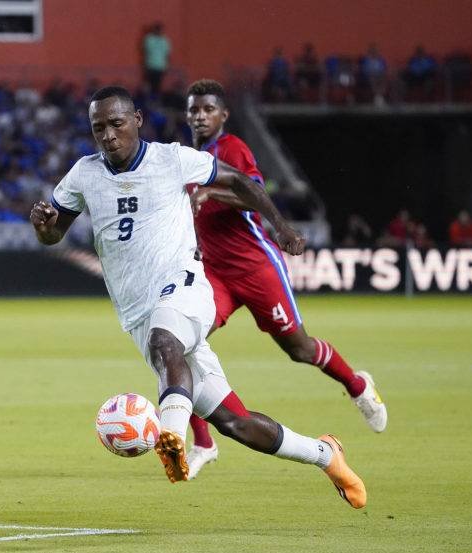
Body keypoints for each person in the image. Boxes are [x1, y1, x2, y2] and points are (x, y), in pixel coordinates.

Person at [30, 85, 367, 508]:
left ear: (136, 120)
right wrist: (45, 228)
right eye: (99, 128)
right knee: (234, 422)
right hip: (136, 312)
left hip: (185, 284)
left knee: (165, 340)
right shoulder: (84, 173)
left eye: (116, 123)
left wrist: (279, 225)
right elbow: (54, 231)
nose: (109, 135)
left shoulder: (172, 159)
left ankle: (170, 432)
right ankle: (325, 454)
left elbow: (241, 182)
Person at [183, 79, 386, 479]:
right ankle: (204, 442)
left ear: (223, 115)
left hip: (256, 267)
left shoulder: (232, 149)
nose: (200, 116)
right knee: (184, 340)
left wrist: (214, 194)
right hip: (216, 273)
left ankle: (358, 386)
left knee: (300, 349)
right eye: (194, 110)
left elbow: (255, 194)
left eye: (208, 109)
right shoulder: (188, 158)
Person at [142, 23, 170, 96]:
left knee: (158, 85)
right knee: (149, 85)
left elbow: (167, 54)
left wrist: (167, 65)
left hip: (160, 66)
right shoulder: (149, 39)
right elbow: (146, 52)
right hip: (150, 65)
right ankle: (150, 100)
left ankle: (156, 99)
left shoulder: (164, 40)